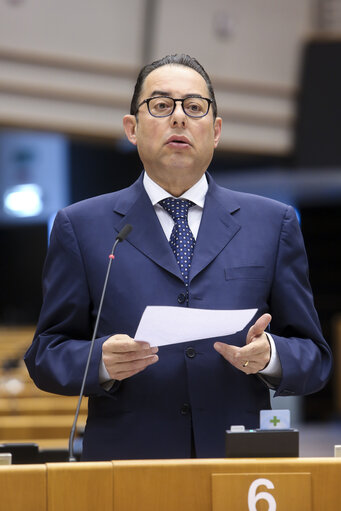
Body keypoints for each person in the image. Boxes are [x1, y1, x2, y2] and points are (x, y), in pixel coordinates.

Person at [24, 54, 332, 461]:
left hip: (238, 463)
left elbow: (315, 356)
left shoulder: (272, 224)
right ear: (132, 128)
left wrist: (271, 355)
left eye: (194, 106)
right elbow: (46, 354)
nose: (179, 118)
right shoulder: (80, 226)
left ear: (216, 130)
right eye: (161, 105)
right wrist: (99, 360)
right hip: (126, 465)